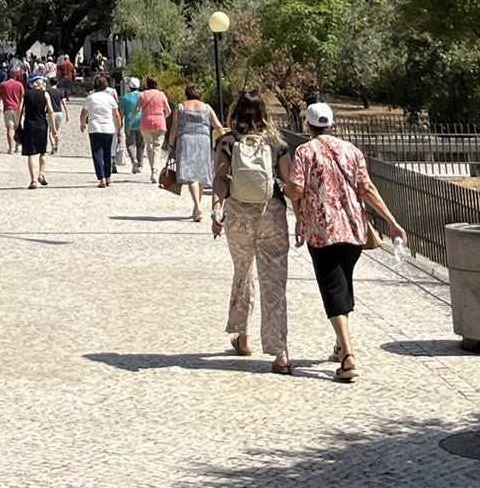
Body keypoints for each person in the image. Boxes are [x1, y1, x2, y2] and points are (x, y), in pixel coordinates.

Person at [287, 102, 407, 381]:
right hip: (353, 229)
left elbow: (296, 189)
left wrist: (285, 191)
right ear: (332, 124)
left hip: (322, 230)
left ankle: (348, 356)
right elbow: (367, 188)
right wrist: (392, 222)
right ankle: (340, 343)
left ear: (308, 125)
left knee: (332, 288)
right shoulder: (352, 151)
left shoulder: (305, 151)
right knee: (343, 283)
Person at [210, 88, 292, 374]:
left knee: (243, 272)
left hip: (238, 215)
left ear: (236, 111)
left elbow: (221, 179)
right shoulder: (276, 143)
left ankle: (243, 337)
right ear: (264, 113)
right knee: (274, 282)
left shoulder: (227, 142)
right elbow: (289, 182)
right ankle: (280, 353)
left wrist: (216, 210)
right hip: (272, 214)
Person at [167, 84, 224, 222]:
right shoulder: (207, 107)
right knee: (201, 173)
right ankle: (196, 206)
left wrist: (170, 145)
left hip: (185, 140)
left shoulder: (180, 107)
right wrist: (224, 138)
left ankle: (197, 207)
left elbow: (174, 128)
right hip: (203, 141)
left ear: (186, 93)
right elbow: (218, 126)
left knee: (191, 174)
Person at [80, 76, 123, 185]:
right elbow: (116, 114)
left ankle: (101, 178)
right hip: (108, 128)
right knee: (107, 153)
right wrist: (119, 127)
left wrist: (82, 123)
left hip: (95, 128)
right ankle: (108, 177)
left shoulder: (90, 97)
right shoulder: (110, 98)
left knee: (97, 153)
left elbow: (83, 113)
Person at [18, 73, 55, 188]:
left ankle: (33, 180)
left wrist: (17, 124)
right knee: (43, 151)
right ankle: (41, 173)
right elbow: (50, 111)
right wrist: (53, 128)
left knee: (31, 153)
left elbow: (19, 110)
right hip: (42, 124)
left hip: (29, 124)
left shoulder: (26, 94)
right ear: (40, 83)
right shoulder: (45, 94)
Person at [137, 77, 171, 181]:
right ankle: (155, 171)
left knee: (149, 146)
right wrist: (162, 117)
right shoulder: (161, 94)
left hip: (145, 123)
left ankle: (153, 168)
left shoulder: (142, 94)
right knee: (157, 147)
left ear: (147, 84)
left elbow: (138, 108)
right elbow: (168, 111)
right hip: (159, 123)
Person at [0, 68, 25, 154]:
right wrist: (21, 107)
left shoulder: (3, 85)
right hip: (17, 108)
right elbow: (22, 97)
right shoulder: (19, 85)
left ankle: (11, 148)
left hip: (7, 108)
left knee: (9, 128)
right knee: (17, 127)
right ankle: (18, 146)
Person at [120, 78, 145, 173]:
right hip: (141, 121)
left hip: (129, 121)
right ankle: (140, 165)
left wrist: (120, 122)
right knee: (140, 145)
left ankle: (134, 160)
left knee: (130, 143)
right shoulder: (142, 95)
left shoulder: (125, 97)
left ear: (129, 86)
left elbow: (122, 112)